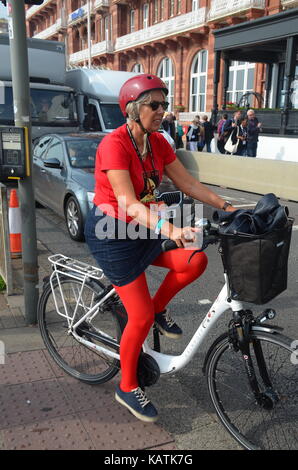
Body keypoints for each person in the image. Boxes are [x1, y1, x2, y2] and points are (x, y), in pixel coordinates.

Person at [84, 74, 236, 423]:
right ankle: (126, 386)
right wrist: (170, 228)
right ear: (133, 109)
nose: (162, 110)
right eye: (154, 104)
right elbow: (126, 201)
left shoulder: (158, 143)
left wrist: (228, 208)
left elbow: (188, 183)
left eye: (164, 104)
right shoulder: (115, 144)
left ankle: (157, 310)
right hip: (113, 234)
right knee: (137, 317)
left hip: (143, 226)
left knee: (195, 260)